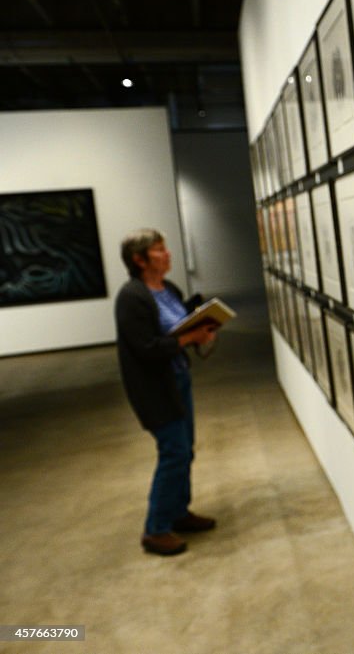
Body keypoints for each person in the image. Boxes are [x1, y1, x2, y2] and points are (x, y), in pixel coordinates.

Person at [115, 228, 219, 556]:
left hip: (178, 380)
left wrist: (201, 327)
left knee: (185, 450)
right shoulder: (132, 297)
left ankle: (178, 512)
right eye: (159, 250)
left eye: (165, 248)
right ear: (139, 259)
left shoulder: (168, 288)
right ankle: (155, 529)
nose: (168, 254)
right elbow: (146, 348)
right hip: (155, 389)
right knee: (173, 451)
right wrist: (189, 339)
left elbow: (179, 325)